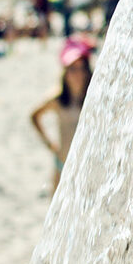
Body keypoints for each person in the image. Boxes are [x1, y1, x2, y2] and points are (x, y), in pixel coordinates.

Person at [28, 36, 96, 194]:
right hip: (62, 164)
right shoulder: (58, 98)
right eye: (73, 69)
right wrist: (49, 143)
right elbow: (34, 116)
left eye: (82, 68)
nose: (78, 74)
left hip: (88, 168)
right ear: (65, 73)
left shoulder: (93, 99)